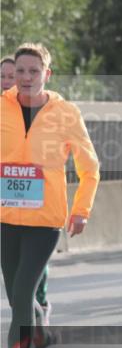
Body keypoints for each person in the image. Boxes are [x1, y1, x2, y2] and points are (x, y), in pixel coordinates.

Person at [1, 44, 100, 348]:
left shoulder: (65, 113)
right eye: (21, 71)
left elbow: (91, 167)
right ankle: (43, 339)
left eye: (34, 71)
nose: (26, 78)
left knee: (24, 292)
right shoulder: (1, 108)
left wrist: (81, 210)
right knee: (16, 298)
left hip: (45, 220)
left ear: (47, 74)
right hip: (6, 218)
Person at [2, 56, 58, 316]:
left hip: (38, 208)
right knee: (16, 289)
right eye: (2, 77)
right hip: (6, 208)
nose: (7, 82)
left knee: (31, 275)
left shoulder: (48, 110)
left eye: (11, 77)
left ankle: (40, 307)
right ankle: (32, 315)